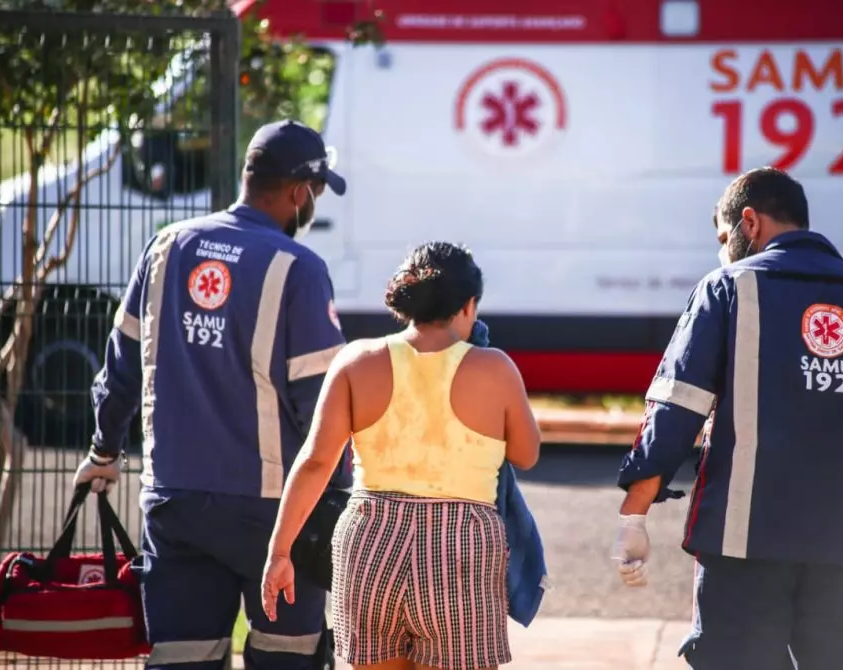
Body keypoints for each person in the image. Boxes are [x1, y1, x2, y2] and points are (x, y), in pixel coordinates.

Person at [611, 166, 843, 670]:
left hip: (743, 553)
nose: (723, 249)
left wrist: (635, 515)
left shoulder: (727, 290)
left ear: (750, 223)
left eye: (724, 236)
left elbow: (676, 410)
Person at [73, 119, 352, 670]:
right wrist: (339, 498)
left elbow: (120, 367)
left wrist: (103, 452)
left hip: (174, 502)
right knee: (288, 659)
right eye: (316, 193)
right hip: (274, 515)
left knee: (182, 659)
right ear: (299, 192)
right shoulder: (298, 269)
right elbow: (322, 407)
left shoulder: (166, 247)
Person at [261, 241, 541, 670]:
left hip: (370, 540)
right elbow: (526, 454)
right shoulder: (495, 368)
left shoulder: (356, 360)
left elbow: (316, 461)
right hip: (460, 545)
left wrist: (280, 552)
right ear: (467, 306)